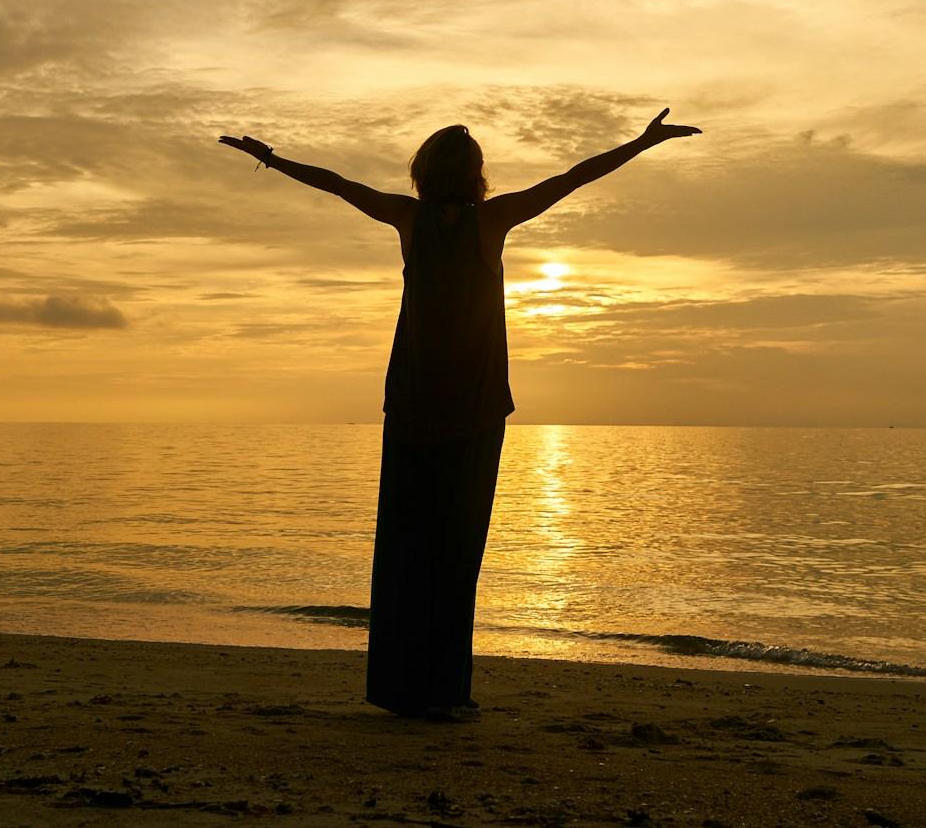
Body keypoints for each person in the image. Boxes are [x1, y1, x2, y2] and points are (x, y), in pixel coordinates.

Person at [218, 107, 702, 721]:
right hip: (472, 409)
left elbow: (338, 184)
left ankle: (401, 688)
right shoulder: (490, 220)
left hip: (416, 405)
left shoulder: (410, 218)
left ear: (422, 173)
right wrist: (640, 143)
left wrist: (274, 158)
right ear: (476, 175)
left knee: (404, 547)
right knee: (455, 550)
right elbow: (574, 178)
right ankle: (445, 690)